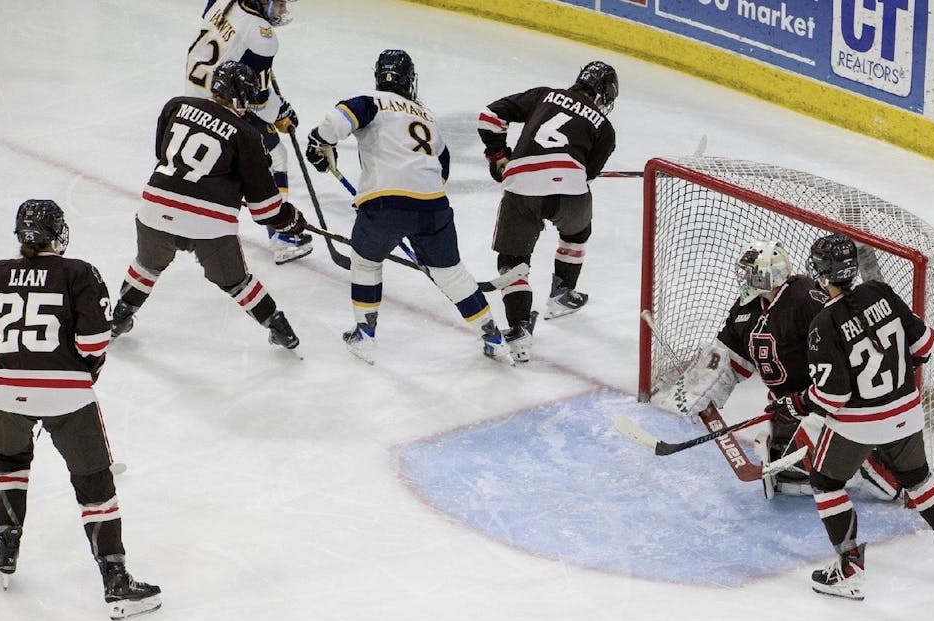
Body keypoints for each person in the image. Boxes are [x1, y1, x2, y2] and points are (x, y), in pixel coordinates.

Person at [0, 200, 161, 619]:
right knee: (94, 482)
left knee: (9, 460)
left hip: (3, 391)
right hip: (65, 394)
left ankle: (7, 547)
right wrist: (84, 373)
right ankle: (116, 582)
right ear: (55, 233)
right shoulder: (79, 272)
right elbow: (95, 342)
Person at [778, 233, 934, 600]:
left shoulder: (824, 323)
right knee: (918, 479)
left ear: (821, 274)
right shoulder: (881, 292)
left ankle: (850, 570)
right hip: (906, 412)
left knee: (826, 482)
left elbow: (832, 396)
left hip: (859, 424)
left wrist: (797, 403)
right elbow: (926, 345)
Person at [305, 49, 508, 364]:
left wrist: (319, 142)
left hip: (385, 204)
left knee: (365, 262)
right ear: (410, 81)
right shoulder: (426, 117)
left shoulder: (370, 101)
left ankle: (365, 335)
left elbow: (335, 122)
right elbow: (442, 169)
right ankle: (493, 336)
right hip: (434, 207)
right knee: (451, 274)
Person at [670, 240, 902, 499]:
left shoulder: (806, 299)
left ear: (770, 275)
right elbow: (727, 355)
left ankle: (868, 461)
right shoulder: (747, 308)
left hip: (826, 402)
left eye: (751, 272)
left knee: (877, 480)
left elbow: (845, 347)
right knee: (788, 478)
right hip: (786, 405)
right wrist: (700, 389)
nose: (745, 277)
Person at [115, 60, 304, 352]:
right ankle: (280, 329)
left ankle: (119, 317)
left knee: (147, 266)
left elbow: (163, 155)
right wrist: (290, 220)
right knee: (237, 283)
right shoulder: (247, 135)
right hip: (208, 224)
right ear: (242, 97)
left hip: (155, 207)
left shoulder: (176, 105)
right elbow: (265, 210)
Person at [476, 60, 619, 362]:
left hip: (523, 184)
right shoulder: (605, 129)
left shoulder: (545, 95)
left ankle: (519, 330)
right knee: (578, 231)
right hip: (570, 191)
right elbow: (587, 174)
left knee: (513, 260)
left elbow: (489, 117)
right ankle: (563, 293)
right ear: (605, 95)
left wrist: (499, 157)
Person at [185, 0, 312, 264]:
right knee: (275, 155)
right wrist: (281, 114)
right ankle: (284, 237)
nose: (282, 10)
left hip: (193, 96)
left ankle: (193, 227)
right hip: (221, 106)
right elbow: (259, 101)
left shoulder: (222, 2)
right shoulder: (262, 36)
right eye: (279, 3)